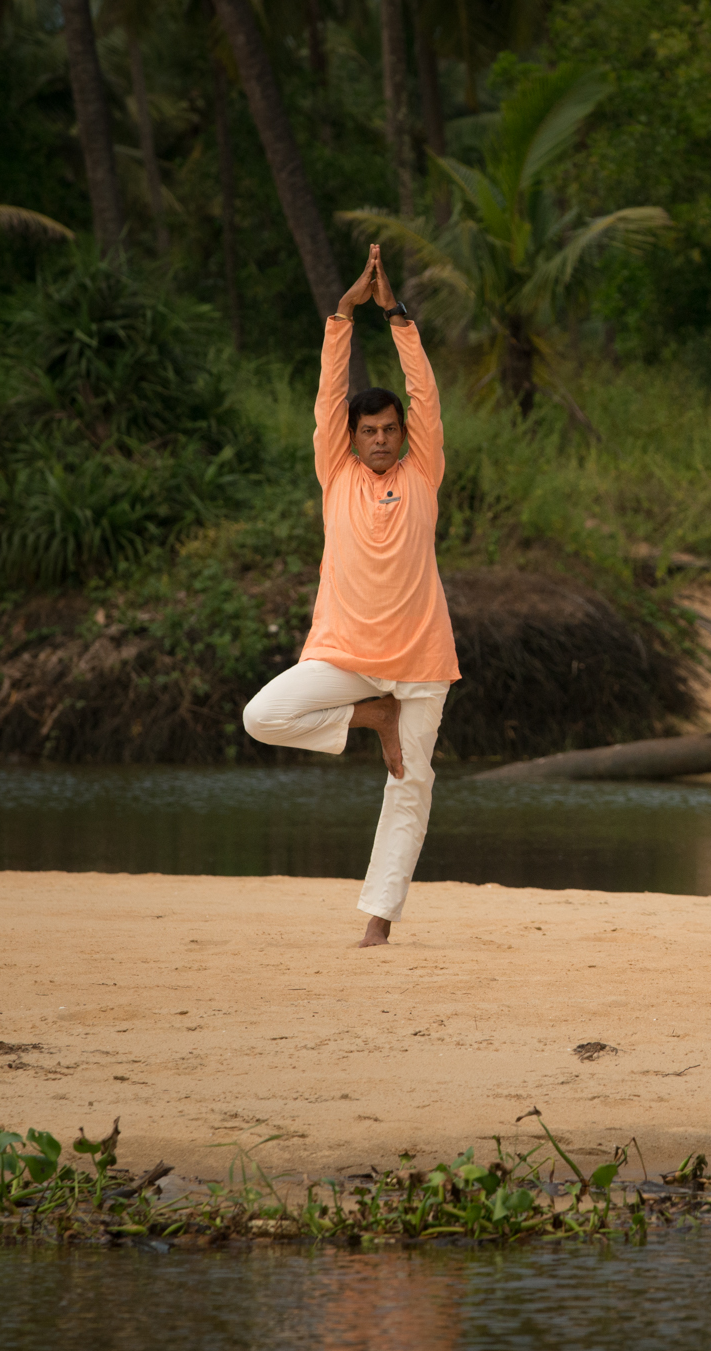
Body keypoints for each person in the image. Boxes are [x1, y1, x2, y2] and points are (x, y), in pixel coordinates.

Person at [242, 246, 458, 948]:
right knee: (262, 715)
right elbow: (328, 394)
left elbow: (422, 391)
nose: (381, 439)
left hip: (421, 660)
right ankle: (370, 716)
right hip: (347, 655)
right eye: (369, 431)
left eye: (390, 430)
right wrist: (342, 314)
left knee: (411, 786)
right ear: (352, 438)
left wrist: (394, 313)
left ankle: (378, 922)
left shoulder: (423, 469)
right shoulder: (335, 473)